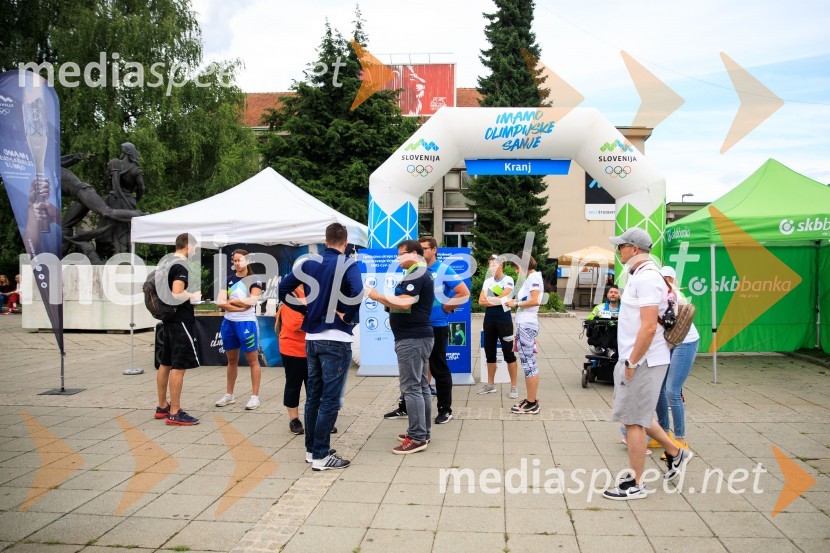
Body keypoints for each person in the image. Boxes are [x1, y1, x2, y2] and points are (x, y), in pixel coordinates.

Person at [603, 228, 694, 500]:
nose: (618, 251)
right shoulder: (642, 276)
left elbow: (647, 327)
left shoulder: (646, 279)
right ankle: (677, 452)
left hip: (642, 359)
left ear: (633, 248)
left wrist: (632, 361)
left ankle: (636, 483)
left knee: (632, 421)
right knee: (643, 416)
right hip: (641, 358)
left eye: (621, 246)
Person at [278, 223, 362, 471]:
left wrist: (306, 309)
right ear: (344, 242)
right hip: (336, 338)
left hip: (312, 339)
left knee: (313, 396)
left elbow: (283, 289)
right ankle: (322, 456)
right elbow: (357, 291)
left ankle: (311, 450)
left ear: (326, 242)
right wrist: (346, 315)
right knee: (329, 399)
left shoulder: (309, 264)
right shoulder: (348, 263)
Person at [383, 236, 470, 424]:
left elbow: (464, 292)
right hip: (414, 328)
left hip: (435, 326)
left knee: (438, 368)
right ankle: (406, 407)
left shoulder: (444, 269)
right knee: (416, 375)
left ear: (434, 250)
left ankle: (445, 409)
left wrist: (446, 308)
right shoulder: (416, 271)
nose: (422, 252)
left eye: (425, 248)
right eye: (419, 248)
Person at [368, 240, 435, 454]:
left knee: (412, 388)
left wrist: (378, 296)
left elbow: (405, 303)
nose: (397, 258)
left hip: (412, 339)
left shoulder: (416, 274)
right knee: (421, 386)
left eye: (401, 254)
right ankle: (422, 432)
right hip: (416, 337)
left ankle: (417, 438)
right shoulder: (418, 273)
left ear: (414, 254)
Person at [156, 233, 201, 426]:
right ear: (188, 245)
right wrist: (192, 295)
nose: (195, 252)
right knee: (178, 367)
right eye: (195, 248)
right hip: (180, 320)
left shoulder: (166, 263)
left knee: (165, 363)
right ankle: (175, 412)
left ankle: (162, 406)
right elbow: (176, 293)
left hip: (168, 319)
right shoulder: (181, 265)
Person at [655, 266, 699, 453]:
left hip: (684, 343)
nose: (665, 281)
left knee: (672, 391)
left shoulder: (674, 297)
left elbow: (674, 327)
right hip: (668, 344)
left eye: (668, 278)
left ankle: (680, 439)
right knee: (659, 388)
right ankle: (663, 433)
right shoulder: (656, 295)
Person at [215, 249, 264, 411]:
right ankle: (229, 395)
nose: (237, 263)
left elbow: (252, 301)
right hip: (229, 323)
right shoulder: (228, 280)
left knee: (253, 361)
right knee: (231, 361)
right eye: (235, 261)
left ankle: (254, 397)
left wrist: (232, 302)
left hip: (247, 324)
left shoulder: (254, 279)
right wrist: (237, 306)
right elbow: (220, 302)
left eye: (240, 260)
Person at [506, 255, 544, 414]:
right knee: (528, 363)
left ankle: (531, 403)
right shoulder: (532, 277)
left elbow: (535, 300)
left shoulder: (533, 277)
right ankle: (531, 399)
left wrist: (515, 303)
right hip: (525, 323)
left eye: (516, 267)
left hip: (527, 324)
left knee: (529, 364)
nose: (516, 271)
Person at [477, 254, 518, 398]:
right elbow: (481, 302)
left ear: (501, 265)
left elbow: (507, 297)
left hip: (504, 320)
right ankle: (490, 385)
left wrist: (491, 299)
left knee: (509, 354)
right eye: (489, 265)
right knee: (490, 353)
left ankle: (513, 387)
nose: (491, 267)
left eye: (493, 264)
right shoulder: (488, 281)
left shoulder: (508, 280)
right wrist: (498, 300)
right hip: (489, 320)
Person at [278, 284, 309, 434]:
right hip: (293, 349)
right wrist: (320, 320)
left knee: (315, 387)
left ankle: (316, 418)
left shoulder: (318, 291)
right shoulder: (291, 294)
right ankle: (294, 420)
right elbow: (296, 324)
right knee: (293, 385)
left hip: (312, 349)